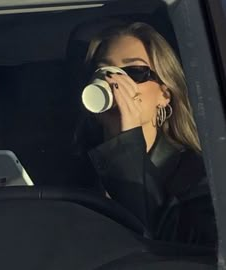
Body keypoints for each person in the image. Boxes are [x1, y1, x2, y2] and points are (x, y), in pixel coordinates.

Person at [72, 22, 217, 246]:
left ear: (165, 94)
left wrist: (124, 146)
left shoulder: (199, 174)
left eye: (135, 72)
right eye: (104, 72)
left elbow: (173, 248)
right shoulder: (76, 169)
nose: (116, 83)